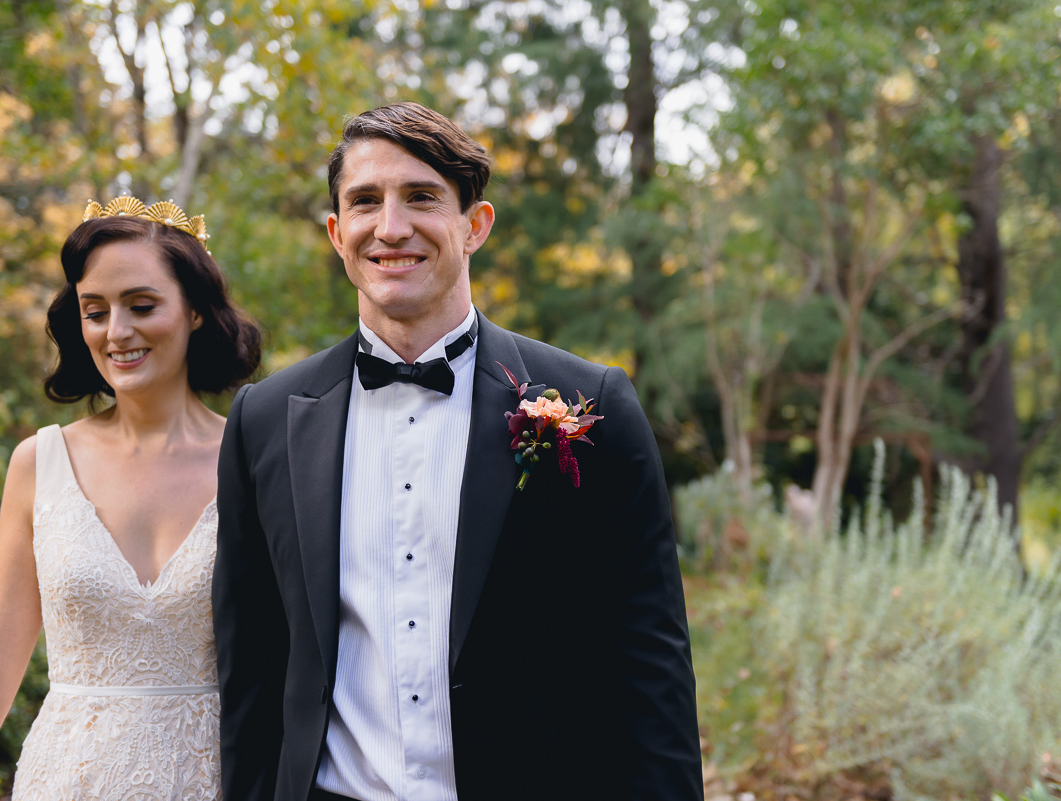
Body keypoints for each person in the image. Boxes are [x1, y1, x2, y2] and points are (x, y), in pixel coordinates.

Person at [213, 101, 703, 801]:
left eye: (421, 197)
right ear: (336, 232)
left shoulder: (593, 404)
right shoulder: (263, 421)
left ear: (474, 225)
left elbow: (650, 661)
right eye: (365, 202)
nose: (391, 227)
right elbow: (252, 669)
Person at [0, 197, 261, 799]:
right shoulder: (39, 464)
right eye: (95, 312)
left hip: (210, 783)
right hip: (67, 781)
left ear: (195, 311)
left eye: (141, 306)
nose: (116, 332)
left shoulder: (255, 462)